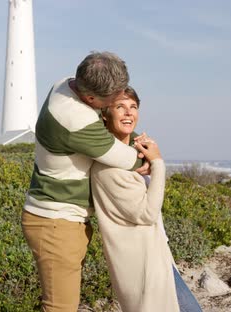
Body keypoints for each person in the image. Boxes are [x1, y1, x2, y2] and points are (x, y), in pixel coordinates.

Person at [21, 51, 149, 312]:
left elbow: (110, 129)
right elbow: (129, 159)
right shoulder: (75, 120)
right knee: (60, 308)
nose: (120, 102)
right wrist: (150, 155)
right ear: (91, 98)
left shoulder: (66, 83)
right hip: (56, 223)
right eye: (115, 101)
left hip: (61, 220)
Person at [91, 86, 202, 312]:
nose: (128, 113)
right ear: (105, 113)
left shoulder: (130, 158)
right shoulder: (108, 167)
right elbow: (147, 213)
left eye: (133, 107)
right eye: (120, 107)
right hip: (141, 262)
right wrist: (159, 164)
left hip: (156, 254)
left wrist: (146, 159)